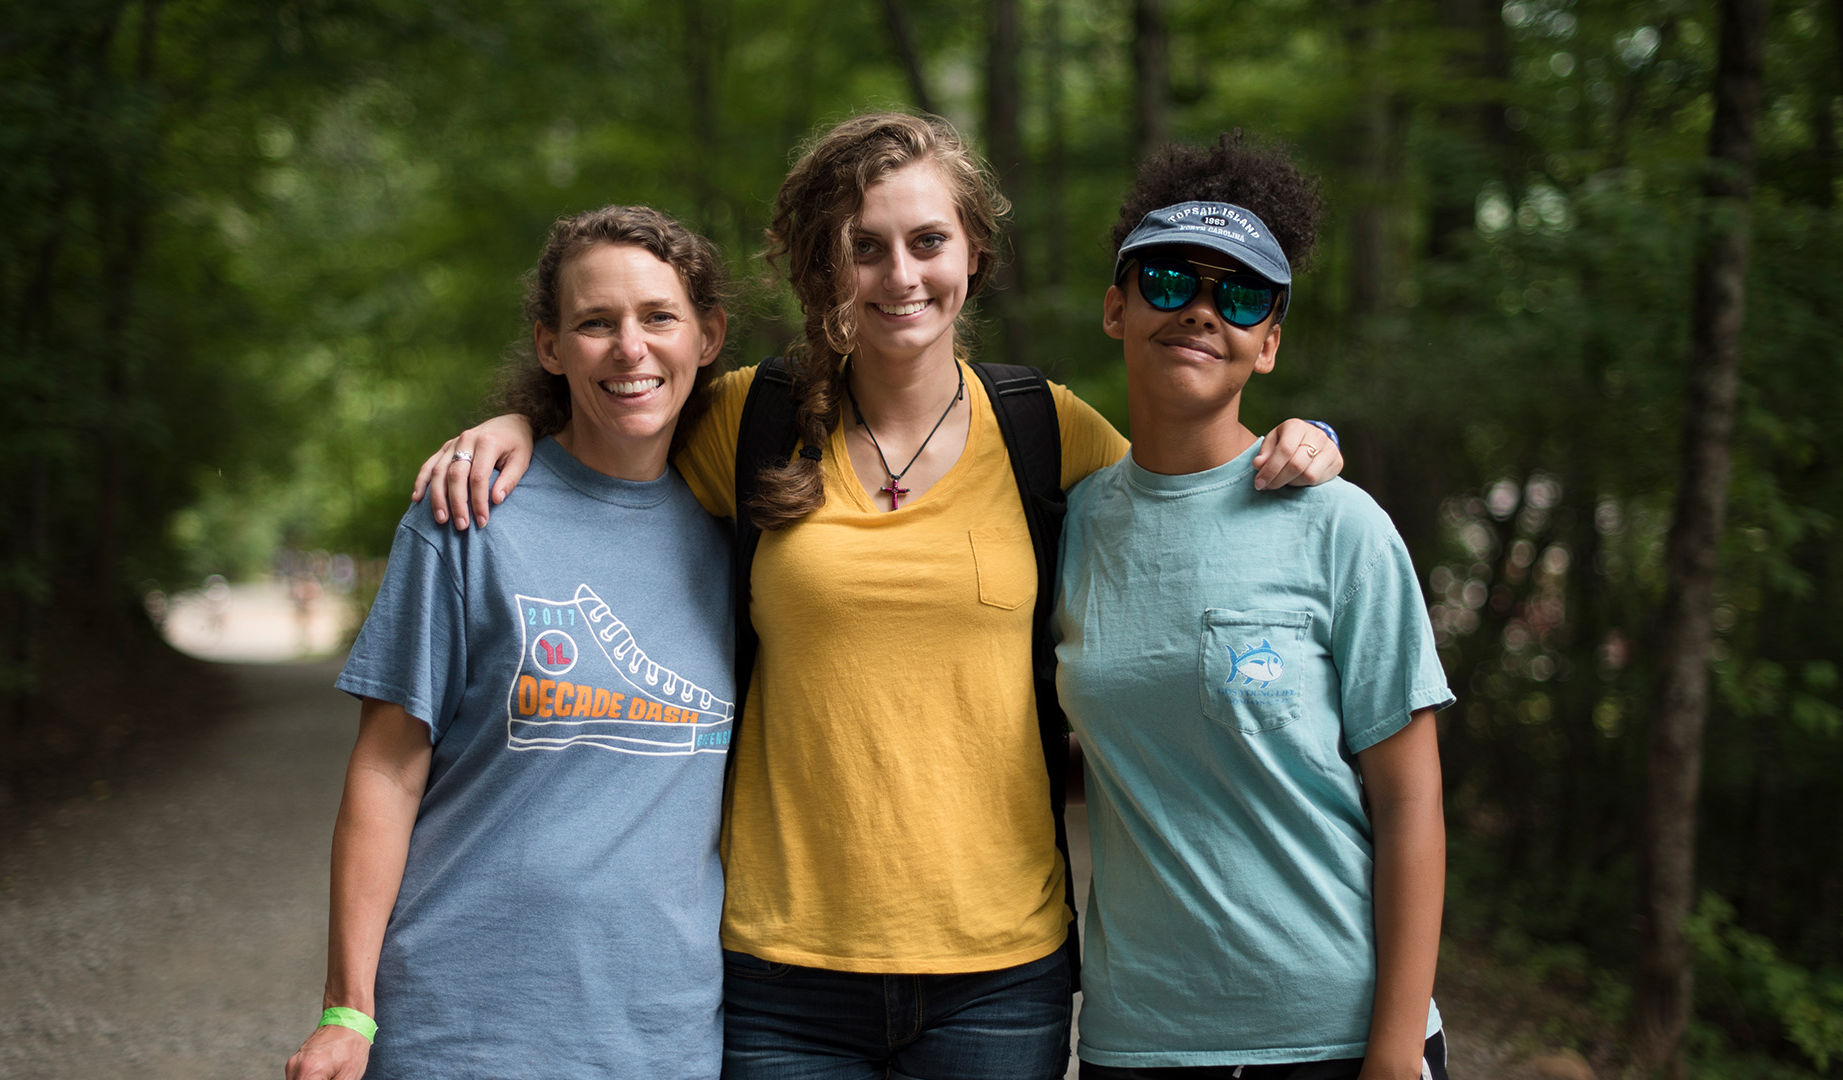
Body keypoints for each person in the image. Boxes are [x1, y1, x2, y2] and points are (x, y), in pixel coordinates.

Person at [411, 113, 1345, 1080]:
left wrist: (1306, 435)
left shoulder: (1046, 428)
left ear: (973, 254)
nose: (902, 276)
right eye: (866, 248)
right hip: (780, 967)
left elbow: (1187, 493)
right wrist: (520, 421)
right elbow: (617, 408)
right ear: (826, 266)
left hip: (999, 969)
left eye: (928, 241)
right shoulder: (748, 418)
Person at [284, 205, 735, 1080]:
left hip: (666, 1035)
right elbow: (386, 770)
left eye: (659, 317)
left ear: (709, 335)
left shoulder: (745, 535)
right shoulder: (469, 516)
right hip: (463, 1029)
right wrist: (347, 1009)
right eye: (595, 322)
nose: (629, 347)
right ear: (550, 346)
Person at [1052, 132, 1453, 1079]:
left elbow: (1410, 801)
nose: (1198, 311)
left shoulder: (1338, 526)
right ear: (1116, 305)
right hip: (1138, 1039)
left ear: (1268, 342)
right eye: (1167, 282)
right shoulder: (1065, 527)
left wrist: (1395, 1052)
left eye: (1237, 296)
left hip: (1337, 1031)